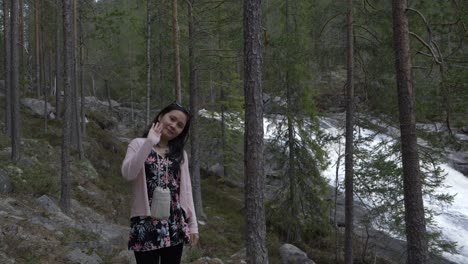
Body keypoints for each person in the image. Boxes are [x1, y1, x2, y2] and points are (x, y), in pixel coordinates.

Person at [121, 103, 199, 264]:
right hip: (145, 223)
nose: (173, 126)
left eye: (180, 126)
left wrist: (193, 226)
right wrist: (149, 142)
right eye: (172, 119)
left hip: (174, 223)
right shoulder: (138, 144)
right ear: (160, 116)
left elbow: (186, 191)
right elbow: (128, 174)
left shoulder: (180, 154)